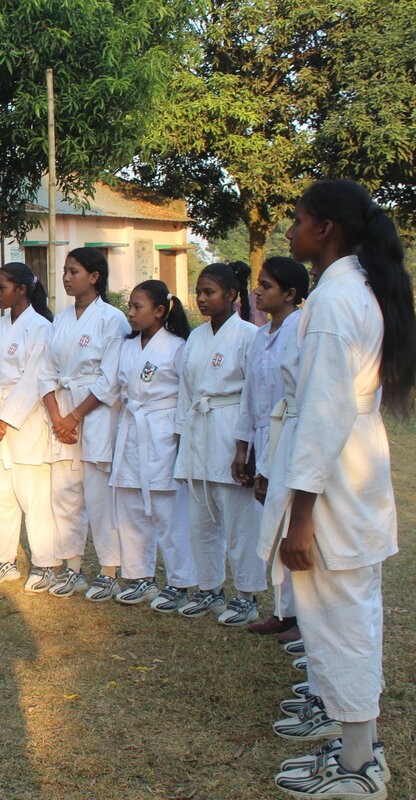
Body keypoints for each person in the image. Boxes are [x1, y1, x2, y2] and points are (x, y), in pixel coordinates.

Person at [264, 180, 412, 798]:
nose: (289, 232)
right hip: (354, 469)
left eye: (297, 221)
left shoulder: (333, 301)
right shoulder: (357, 289)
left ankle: (360, 768)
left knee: (340, 618)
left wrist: (300, 521)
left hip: (334, 480)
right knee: (349, 613)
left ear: (325, 230)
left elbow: (323, 417)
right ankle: (357, 745)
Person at [173, 262, 263, 624]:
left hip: (230, 429)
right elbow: (185, 392)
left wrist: (246, 447)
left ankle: (247, 595)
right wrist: (180, 438)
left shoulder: (249, 335)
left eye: (209, 292)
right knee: (200, 518)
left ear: (231, 295)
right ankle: (210, 589)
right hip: (198, 429)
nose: (202, 299)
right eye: (198, 292)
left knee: (240, 520)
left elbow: (254, 395)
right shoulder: (196, 337)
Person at [40, 247, 131, 600]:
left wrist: (75, 416)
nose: (66, 277)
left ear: (93, 277)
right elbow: (46, 373)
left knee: (99, 497)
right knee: (64, 493)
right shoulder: (60, 320)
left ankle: (109, 571)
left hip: (95, 414)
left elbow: (110, 379)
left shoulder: (112, 319)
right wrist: (57, 418)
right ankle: (72, 567)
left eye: (73, 271)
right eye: (64, 271)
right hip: (62, 412)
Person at [232, 257, 309, 638]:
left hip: (292, 436)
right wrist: (243, 448)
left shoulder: (301, 330)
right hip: (265, 437)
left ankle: (305, 617)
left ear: (291, 294)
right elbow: (251, 396)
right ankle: (284, 610)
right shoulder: (261, 335)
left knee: (296, 524)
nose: (257, 291)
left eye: (266, 285)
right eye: (258, 284)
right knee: (273, 525)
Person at [108, 281, 196, 606]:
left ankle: (181, 582)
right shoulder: (127, 346)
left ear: (159, 311)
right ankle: (140, 576)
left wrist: (182, 441)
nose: (130, 313)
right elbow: (120, 389)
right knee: (130, 507)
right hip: (131, 429)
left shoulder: (176, 347)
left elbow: (186, 396)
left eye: (137, 307)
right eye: (129, 306)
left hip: (161, 432)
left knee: (168, 512)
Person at [0, 263, 56, 589]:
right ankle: (3, 560)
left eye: (1, 288)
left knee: (35, 498)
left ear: (21, 289)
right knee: (1, 496)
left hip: (26, 421)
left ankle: (45, 565)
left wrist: (7, 420)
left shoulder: (41, 327)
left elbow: (34, 378)